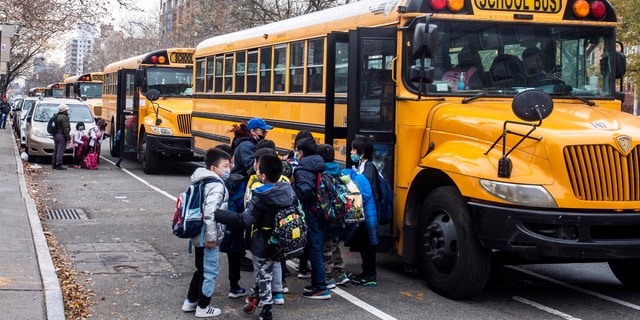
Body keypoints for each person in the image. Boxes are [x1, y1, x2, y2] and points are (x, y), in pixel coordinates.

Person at [215, 154, 296, 320]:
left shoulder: (262, 197)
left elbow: (245, 219)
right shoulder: (288, 191)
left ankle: (266, 309)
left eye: (259, 170)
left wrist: (218, 214)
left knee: (263, 273)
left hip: (262, 241)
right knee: (268, 270)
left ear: (263, 176)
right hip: (282, 239)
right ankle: (256, 295)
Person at [181, 147, 231, 318]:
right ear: (213, 168)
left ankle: (191, 301)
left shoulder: (200, 180)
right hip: (208, 235)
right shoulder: (216, 185)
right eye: (225, 166)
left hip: (197, 233)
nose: (227, 170)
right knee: (210, 271)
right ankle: (203, 306)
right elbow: (211, 214)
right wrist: (212, 238)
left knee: (200, 268)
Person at [292, 137, 331, 299]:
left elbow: (304, 191)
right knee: (316, 248)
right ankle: (317, 283)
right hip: (322, 211)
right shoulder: (319, 164)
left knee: (314, 249)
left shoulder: (303, 169)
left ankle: (321, 287)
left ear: (301, 152)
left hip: (312, 213)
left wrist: (292, 190)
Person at [316, 143, 350, 289]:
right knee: (335, 245)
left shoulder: (322, 173)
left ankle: (329, 277)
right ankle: (341, 273)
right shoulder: (339, 171)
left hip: (327, 216)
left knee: (326, 248)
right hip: (340, 216)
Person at [347, 136, 379, 286]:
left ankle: (370, 274)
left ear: (362, 152)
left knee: (367, 244)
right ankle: (366, 272)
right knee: (363, 242)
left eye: (354, 149)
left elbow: (365, 190)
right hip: (364, 211)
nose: (352, 152)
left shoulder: (369, 168)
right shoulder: (362, 165)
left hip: (368, 211)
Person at [52, 104, 71, 170]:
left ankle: (54, 163)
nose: (67, 111)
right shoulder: (64, 117)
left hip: (56, 135)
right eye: (67, 110)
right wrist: (68, 137)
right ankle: (59, 164)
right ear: (64, 110)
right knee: (60, 150)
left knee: (56, 149)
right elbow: (66, 129)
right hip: (61, 135)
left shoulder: (57, 116)